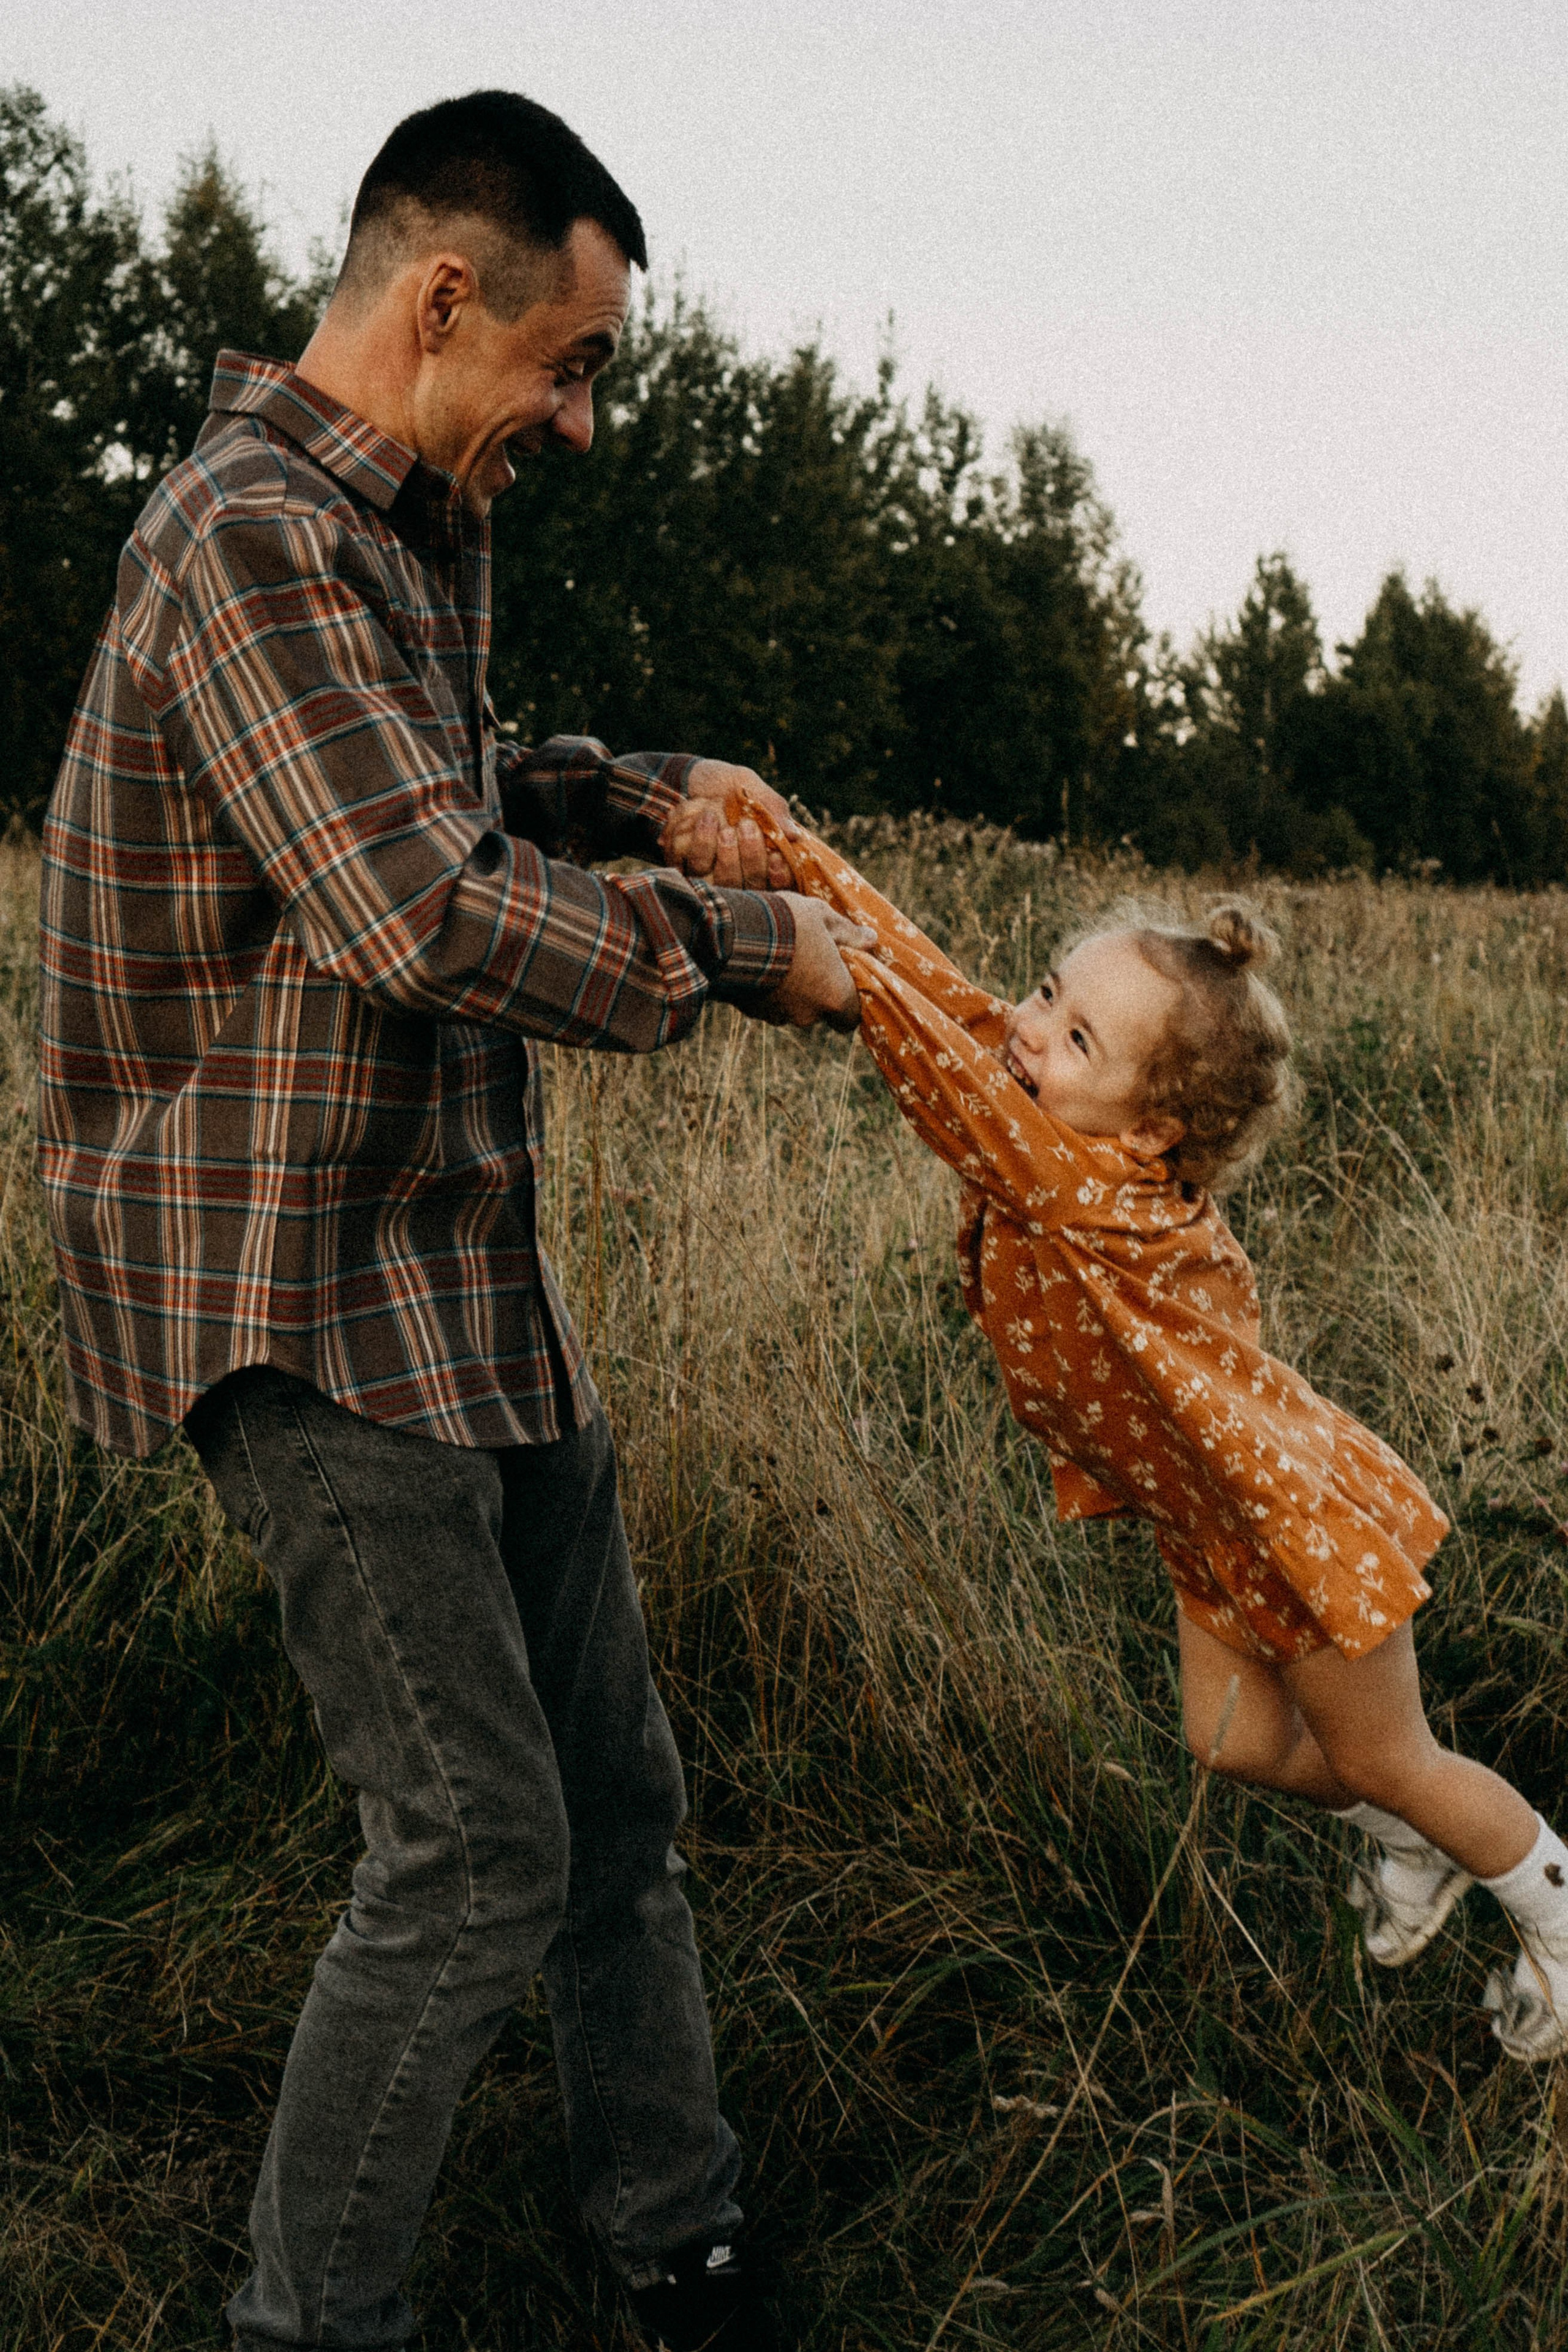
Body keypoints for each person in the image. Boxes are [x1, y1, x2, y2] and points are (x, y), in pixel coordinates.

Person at [37, 91, 872, 2352]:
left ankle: (676, 2241)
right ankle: (307, 2324)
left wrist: (649, 794)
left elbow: (442, 790)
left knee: (614, 1798)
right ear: (439, 297)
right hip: (305, 1288)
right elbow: (413, 902)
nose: (582, 423)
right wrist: (735, 951)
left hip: (454, 1260)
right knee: (476, 1847)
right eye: (570, 366)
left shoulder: (388, 531)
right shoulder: (247, 533)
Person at [723, 788, 1568, 2061]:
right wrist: (787, 848)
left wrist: (832, 978)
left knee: (1392, 1757)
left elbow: (932, 1062)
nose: (1026, 1030)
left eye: (1074, 1037)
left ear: (1154, 1127)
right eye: (1045, 992)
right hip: (1208, 1519)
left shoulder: (1081, 1186)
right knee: (1230, 1740)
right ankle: (1419, 1841)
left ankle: (1547, 1901)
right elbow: (946, 995)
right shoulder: (1060, 1121)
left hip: (1291, 1524)